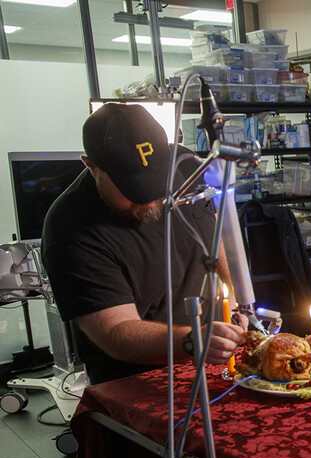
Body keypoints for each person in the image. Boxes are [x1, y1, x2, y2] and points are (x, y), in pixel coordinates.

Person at [41, 103, 246, 385]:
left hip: (218, 357)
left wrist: (234, 298)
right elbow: (117, 330)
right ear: (91, 165)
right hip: (137, 380)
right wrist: (192, 340)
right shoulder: (70, 229)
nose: (151, 197)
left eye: (156, 181)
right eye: (133, 188)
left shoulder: (184, 165)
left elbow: (214, 233)